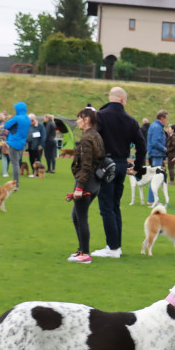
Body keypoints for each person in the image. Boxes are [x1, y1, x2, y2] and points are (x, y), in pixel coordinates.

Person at [92, 86, 146, 258]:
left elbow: (91, 140)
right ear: (123, 100)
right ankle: (116, 246)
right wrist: (137, 167)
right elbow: (142, 146)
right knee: (115, 206)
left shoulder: (100, 116)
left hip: (106, 164)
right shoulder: (130, 120)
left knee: (106, 207)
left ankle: (113, 248)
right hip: (122, 164)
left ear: (110, 98)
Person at [67, 107, 106, 264]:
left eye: (79, 118)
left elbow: (86, 166)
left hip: (86, 182)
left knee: (81, 217)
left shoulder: (86, 139)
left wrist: (79, 188)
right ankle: (81, 250)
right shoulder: (97, 136)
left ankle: (85, 254)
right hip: (95, 182)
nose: (77, 121)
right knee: (75, 215)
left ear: (87, 120)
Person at [3, 102, 30, 187]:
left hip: (14, 142)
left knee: (15, 164)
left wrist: (9, 118)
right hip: (22, 143)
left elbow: (6, 125)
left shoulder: (17, 118)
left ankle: (16, 184)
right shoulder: (27, 118)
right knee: (17, 162)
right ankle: (16, 183)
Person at [145, 110, 168, 203]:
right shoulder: (157, 127)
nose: (167, 121)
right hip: (156, 154)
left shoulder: (154, 126)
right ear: (162, 118)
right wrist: (165, 149)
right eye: (166, 118)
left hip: (154, 154)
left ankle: (151, 199)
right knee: (155, 178)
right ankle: (151, 199)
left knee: (154, 177)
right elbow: (155, 142)